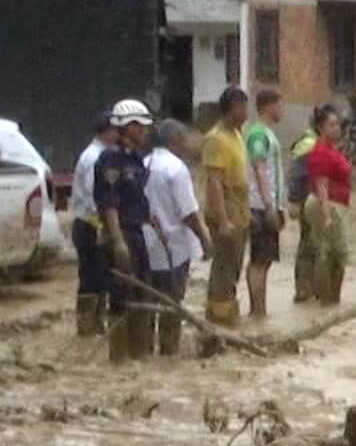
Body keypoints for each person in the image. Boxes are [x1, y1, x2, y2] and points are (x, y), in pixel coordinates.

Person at [138, 120, 211, 358]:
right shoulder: (176, 168)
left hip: (145, 247)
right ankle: (169, 353)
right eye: (184, 138)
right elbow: (188, 212)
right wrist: (204, 239)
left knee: (147, 304)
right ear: (174, 140)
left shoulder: (143, 163)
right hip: (173, 249)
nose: (187, 143)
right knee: (171, 305)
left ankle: (145, 352)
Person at [94, 99, 155, 364]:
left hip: (137, 232)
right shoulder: (110, 159)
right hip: (120, 235)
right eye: (137, 126)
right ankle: (119, 359)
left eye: (144, 127)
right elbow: (109, 204)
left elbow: (135, 196)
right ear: (124, 127)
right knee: (121, 296)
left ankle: (139, 355)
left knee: (142, 292)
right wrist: (118, 242)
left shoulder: (136, 159)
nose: (143, 131)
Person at [201, 87, 252, 326]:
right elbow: (214, 182)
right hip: (226, 212)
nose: (245, 112)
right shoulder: (216, 138)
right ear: (228, 110)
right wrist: (222, 221)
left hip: (239, 211)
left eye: (246, 107)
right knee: (224, 268)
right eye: (240, 107)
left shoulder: (237, 135)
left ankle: (228, 316)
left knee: (233, 268)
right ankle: (217, 323)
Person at [70, 113, 117, 336]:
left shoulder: (100, 155)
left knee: (99, 277)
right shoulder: (94, 159)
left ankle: (95, 325)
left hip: (93, 224)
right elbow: (94, 197)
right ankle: (88, 328)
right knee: (91, 278)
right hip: (90, 225)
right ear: (107, 131)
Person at [244, 88, 287, 319]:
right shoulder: (259, 135)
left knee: (265, 260)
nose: (282, 110)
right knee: (260, 260)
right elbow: (260, 169)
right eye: (280, 105)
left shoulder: (265, 133)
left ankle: (259, 309)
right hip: (260, 208)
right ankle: (257, 311)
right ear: (269, 106)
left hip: (266, 206)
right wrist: (269, 206)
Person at [305, 106, 354, 306]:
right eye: (331, 125)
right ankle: (328, 300)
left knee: (331, 252)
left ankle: (329, 300)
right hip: (326, 204)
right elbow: (321, 185)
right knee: (336, 253)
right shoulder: (321, 151)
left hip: (333, 204)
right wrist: (326, 215)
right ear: (320, 127)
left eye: (337, 124)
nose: (337, 129)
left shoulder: (331, 149)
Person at [287, 108, 323, 304]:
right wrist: (293, 200)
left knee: (318, 244)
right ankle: (304, 289)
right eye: (333, 125)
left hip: (319, 201)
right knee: (309, 244)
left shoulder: (319, 143)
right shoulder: (309, 145)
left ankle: (317, 289)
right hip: (307, 201)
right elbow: (296, 174)